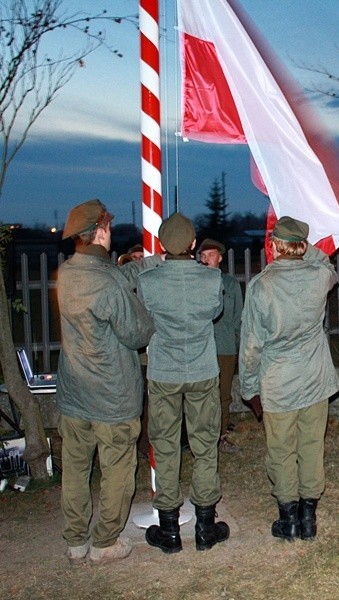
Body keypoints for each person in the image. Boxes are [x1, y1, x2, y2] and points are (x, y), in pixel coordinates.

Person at [57, 199, 155, 565]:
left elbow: (107, 282)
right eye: (108, 227)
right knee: (117, 470)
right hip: (112, 397)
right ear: (99, 231)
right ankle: (105, 542)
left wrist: (139, 268)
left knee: (77, 469)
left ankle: (76, 540)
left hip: (74, 394)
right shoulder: (108, 282)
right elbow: (137, 332)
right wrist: (147, 310)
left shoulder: (67, 274)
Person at [239, 217, 339, 542]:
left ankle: (290, 520)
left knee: (281, 451)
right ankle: (308, 518)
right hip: (315, 379)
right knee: (312, 446)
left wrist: (249, 388)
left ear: (274, 245)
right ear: (300, 245)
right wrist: (303, 245)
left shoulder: (261, 286)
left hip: (278, 383)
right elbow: (324, 261)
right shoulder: (319, 277)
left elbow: (251, 346)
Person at [137, 212, 229, 553]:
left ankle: (170, 531)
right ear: (193, 245)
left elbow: (146, 315)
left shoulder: (149, 281)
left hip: (164, 372)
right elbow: (215, 312)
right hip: (202, 369)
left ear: (162, 245)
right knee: (205, 444)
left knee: (165, 445)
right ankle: (205, 527)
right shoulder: (211, 279)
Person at [198, 238, 244, 454]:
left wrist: (235, 345)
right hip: (200, 347)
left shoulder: (231, 284)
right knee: (200, 394)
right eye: (203, 255)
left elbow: (237, 318)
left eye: (211, 255)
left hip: (224, 347)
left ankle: (221, 435)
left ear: (220, 257)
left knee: (223, 394)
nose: (207, 259)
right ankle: (201, 436)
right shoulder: (195, 282)